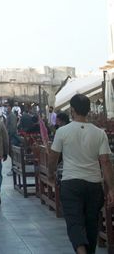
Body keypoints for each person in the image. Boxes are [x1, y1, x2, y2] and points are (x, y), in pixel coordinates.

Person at [49, 94, 114, 254]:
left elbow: (53, 157)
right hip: (93, 184)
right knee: (91, 223)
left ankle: (80, 250)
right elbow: (105, 162)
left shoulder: (62, 132)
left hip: (71, 183)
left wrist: (51, 172)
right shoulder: (100, 133)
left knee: (74, 221)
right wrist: (111, 188)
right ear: (89, 110)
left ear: (72, 110)